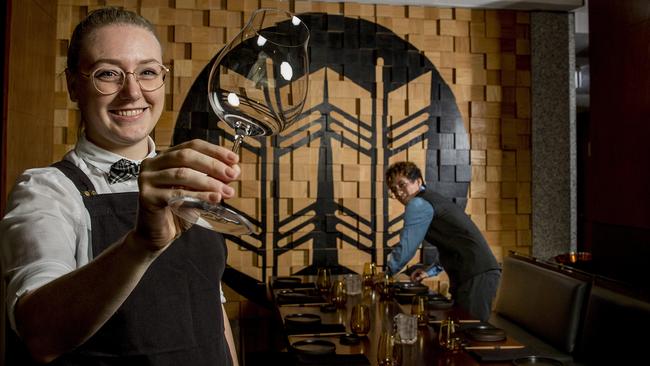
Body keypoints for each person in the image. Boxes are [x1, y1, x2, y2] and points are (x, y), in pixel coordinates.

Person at [0, 8, 239, 365]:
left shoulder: (187, 178)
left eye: (147, 72)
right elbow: (40, 334)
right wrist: (141, 244)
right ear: (73, 85)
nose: (132, 92)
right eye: (108, 74)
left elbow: (212, 311)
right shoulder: (46, 191)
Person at [385, 161, 501, 322]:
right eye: (393, 189)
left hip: (477, 274)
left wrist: (384, 274)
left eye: (402, 185)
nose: (398, 192)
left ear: (418, 181)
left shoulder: (418, 203)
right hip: (473, 274)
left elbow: (407, 246)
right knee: (458, 330)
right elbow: (454, 243)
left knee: (469, 331)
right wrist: (430, 271)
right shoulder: (429, 200)